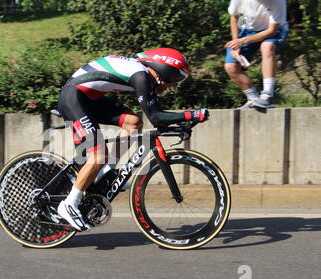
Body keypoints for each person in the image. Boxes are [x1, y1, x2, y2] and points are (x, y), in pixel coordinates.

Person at [56, 47, 209, 231]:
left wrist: (181, 123)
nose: (173, 86)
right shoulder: (141, 76)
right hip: (73, 98)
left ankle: (106, 171)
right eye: (175, 79)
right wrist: (191, 115)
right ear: (164, 70)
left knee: (133, 122)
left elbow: (157, 118)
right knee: (98, 156)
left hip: (89, 100)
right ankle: (69, 204)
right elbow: (156, 117)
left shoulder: (142, 73)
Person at [224, 0, 288, 109]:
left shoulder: (278, 1)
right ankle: (253, 99)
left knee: (267, 47)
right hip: (249, 30)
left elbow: (272, 31)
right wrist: (236, 42)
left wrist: (243, 41)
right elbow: (234, 17)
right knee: (231, 66)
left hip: (274, 30)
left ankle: (268, 95)